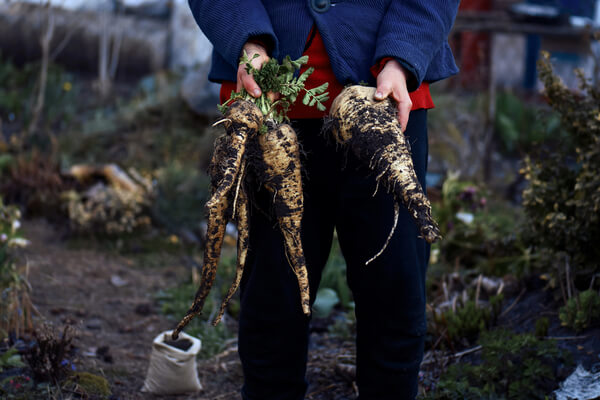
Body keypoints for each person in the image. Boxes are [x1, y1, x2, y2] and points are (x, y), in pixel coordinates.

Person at [188, 1, 460, 399]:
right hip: (271, 105)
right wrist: (248, 43)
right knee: (273, 297)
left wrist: (402, 56)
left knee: (393, 293)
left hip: (385, 101)